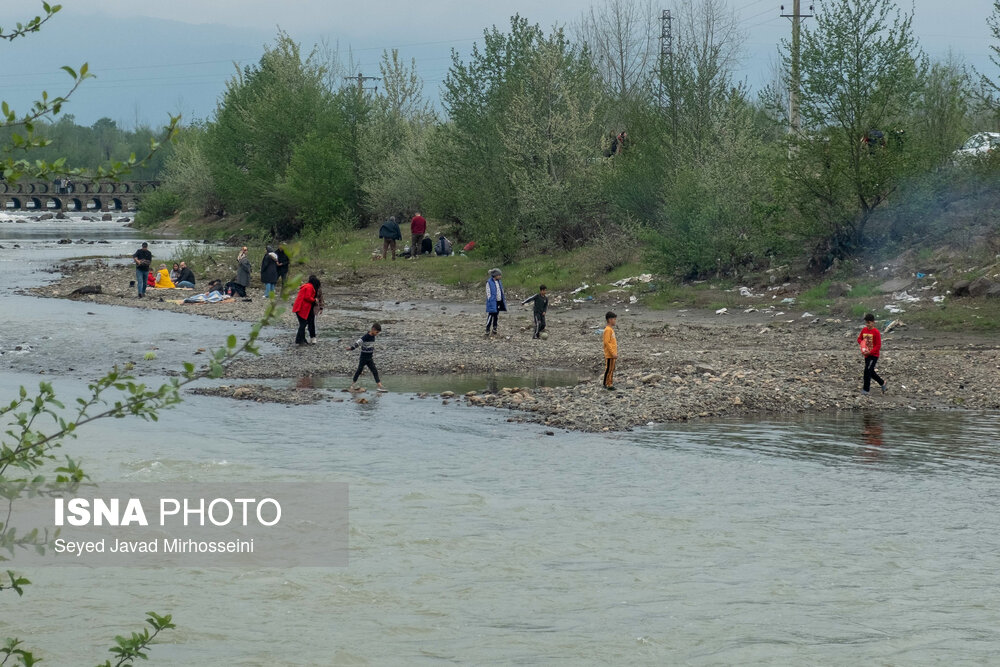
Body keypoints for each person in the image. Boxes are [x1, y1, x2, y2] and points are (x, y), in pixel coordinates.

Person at [348, 322, 384, 391]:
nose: (377, 334)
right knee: (359, 370)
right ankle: (353, 384)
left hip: (369, 358)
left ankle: (379, 385)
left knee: (374, 371)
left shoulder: (373, 336)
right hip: (363, 357)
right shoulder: (366, 336)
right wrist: (352, 348)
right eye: (377, 332)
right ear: (373, 329)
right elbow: (359, 342)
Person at [858, 313, 887, 395]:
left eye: (869, 323)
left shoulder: (876, 332)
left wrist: (870, 351)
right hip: (866, 355)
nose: (867, 325)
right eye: (866, 323)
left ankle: (866, 390)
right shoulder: (864, 330)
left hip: (873, 355)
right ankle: (882, 383)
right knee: (870, 371)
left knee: (867, 371)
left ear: (873, 322)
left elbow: (878, 345)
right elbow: (859, 339)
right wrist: (862, 343)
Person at [292, 275, 322, 345]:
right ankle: (299, 340)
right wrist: (314, 300)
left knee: (303, 324)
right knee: (303, 324)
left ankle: (302, 339)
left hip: (298, 307)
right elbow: (307, 297)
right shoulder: (309, 287)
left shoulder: (306, 286)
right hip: (301, 308)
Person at [485, 268, 506, 337]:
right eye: (499, 275)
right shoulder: (489, 282)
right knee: (491, 315)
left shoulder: (499, 282)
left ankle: (495, 327)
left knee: (496, 315)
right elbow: (488, 293)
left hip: (498, 301)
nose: (500, 276)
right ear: (495, 275)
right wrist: (490, 300)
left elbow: (501, 290)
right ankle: (487, 329)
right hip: (492, 301)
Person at [603, 311, 618, 391]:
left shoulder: (610, 330)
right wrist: (612, 353)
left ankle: (610, 383)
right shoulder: (608, 330)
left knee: (611, 368)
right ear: (609, 320)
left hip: (612, 354)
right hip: (610, 354)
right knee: (609, 369)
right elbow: (606, 342)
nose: (615, 321)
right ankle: (607, 383)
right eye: (614, 319)